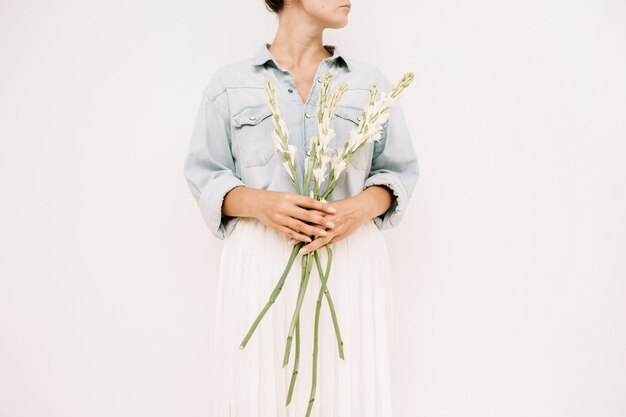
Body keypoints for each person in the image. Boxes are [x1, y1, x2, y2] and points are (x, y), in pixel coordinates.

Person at [183, 1, 419, 415]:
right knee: (260, 392)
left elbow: (397, 172)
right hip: (261, 264)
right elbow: (205, 174)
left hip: (349, 261)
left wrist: (358, 209)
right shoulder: (230, 85)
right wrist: (261, 203)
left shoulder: (370, 83)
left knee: (347, 393)